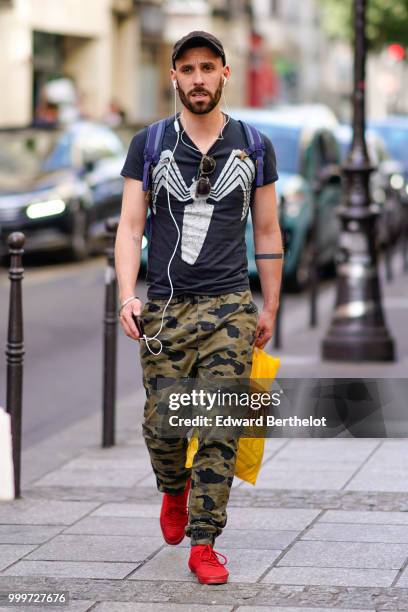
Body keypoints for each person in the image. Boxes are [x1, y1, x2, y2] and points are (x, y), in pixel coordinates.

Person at [115, 31, 283, 585]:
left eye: (207, 68)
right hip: (164, 308)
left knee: (218, 424)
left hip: (230, 306)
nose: (198, 78)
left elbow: (267, 228)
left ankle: (204, 540)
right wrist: (126, 294)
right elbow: (131, 225)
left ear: (224, 74)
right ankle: (173, 487)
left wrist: (271, 305)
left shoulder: (254, 146)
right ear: (175, 78)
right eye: (187, 69)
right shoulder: (150, 143)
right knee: (163, 429)